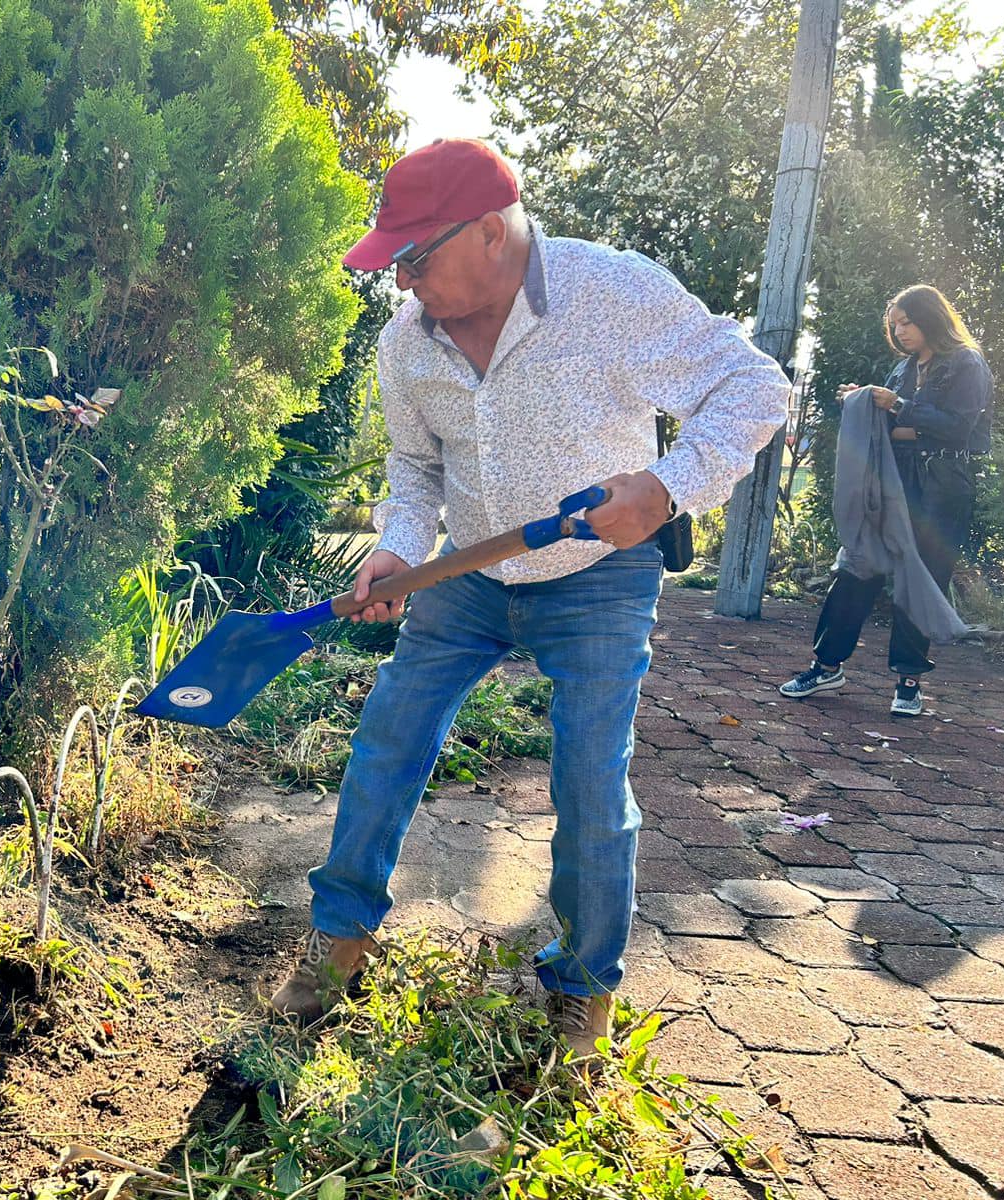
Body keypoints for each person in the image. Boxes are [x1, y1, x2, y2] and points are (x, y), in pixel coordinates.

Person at [267, 139, 790, 1059]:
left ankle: (583, 987)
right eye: (394, 263)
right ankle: (340, 936)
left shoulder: (612, 293)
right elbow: (415, 467)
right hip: (466, 573)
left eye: (416, 258)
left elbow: (753, 386)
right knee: (389, 735)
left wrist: (667, 487)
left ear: (491, 232)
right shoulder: (407, 343)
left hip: (599, 577)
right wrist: (397, 547)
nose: (403, 283)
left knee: (590, 780)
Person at [779, 285, 991, 717]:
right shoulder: (903, 368)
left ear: (931, 317)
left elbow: (959, 430)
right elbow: (898, 424)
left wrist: (898, 407)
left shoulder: (967, 362)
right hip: (893, 482)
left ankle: (909, 682)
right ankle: (826, 665)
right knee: (858, 565)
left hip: (940, 488)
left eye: (907, 321)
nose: (900, 331)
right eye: (895, 324)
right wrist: (865, 400)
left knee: (921, 579)